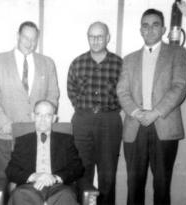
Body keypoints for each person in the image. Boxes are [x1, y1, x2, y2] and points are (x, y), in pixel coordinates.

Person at [117, 9, 186, 205]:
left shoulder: (177, 53)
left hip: (163, 126)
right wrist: (137, 112)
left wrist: (155, 113)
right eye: (145, 25)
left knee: (162, 185)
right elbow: (122, 91)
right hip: (135, 126)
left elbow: (179, 87)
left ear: (164, 29)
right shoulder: (129, 59)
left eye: (155, 24)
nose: (150, 29)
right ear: (140, 30)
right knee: (134, 185)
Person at [0, 21, 60, 182]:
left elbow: (53, 94)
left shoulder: (47, 63)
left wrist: (42, 122)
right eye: (26, 38)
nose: (30, 43)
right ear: (18, 36)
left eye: (34, 39)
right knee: (3, 181)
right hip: (6, 134)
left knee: (32, 183)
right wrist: (4, 124)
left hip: (36, 134)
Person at [67, 22, 122, 205]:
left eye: (100, 36)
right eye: (92, 36)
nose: (96, 40)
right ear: (87, 37)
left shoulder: (118, 63)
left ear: (108, 37)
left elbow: (125, 92)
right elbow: (71, 90)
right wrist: (85, 111)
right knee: (82, 170)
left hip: (110, 121)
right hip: (83, 121)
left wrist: (108, 111)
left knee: (107, 173)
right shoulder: (78, 62)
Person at [5, 100, 84, 205]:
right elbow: (11, 170)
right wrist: (34, 176)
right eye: (39, 115)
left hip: (58, 188)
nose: (43, 120)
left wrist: (55, 178)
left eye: (47, 115)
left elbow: (77, 167)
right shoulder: (22, 141)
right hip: (29, 188)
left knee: (67, 196)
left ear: (54, 118)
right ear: (33, 117)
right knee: (19, 195)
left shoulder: (65, 140)